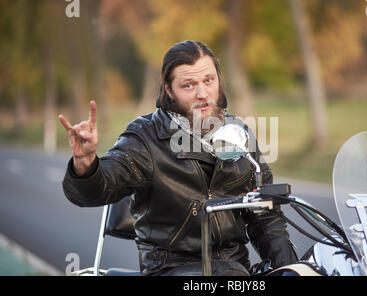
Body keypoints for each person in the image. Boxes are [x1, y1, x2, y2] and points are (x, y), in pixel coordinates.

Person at [60, 40, 298, 276]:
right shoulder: (146, 138)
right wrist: (85, 164)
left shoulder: (238, 134)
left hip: (234, 270)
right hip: (170, 269)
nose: (203, 94)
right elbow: (101, 187)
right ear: (169, 90)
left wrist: (290, 268)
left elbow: (266, 216)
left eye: (208, 80)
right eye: (188, 85)